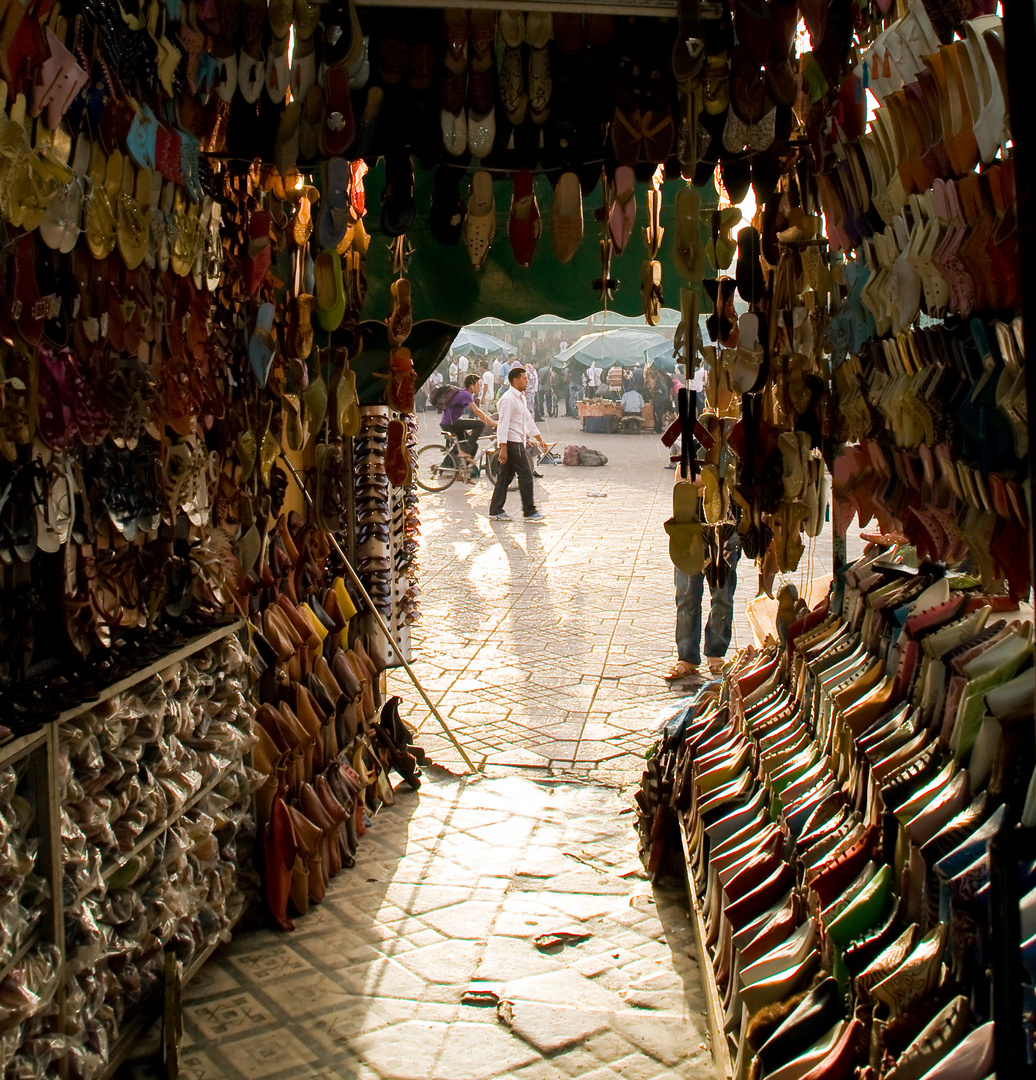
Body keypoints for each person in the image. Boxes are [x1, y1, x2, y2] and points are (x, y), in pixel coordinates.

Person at [668, 527, 742, 683]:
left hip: (726, 529)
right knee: (687, 596)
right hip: (688, 525)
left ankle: (716, 653)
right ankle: (687, 656)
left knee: (723, 596)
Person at [489, 367, 546, 522]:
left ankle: (495, 510)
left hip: (517, 441)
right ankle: (529, 511)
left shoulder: (520, 398)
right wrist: (503, 448)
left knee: (505, 477)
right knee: (526, 475)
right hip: (512, 443)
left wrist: (539, 439)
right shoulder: (508, 399)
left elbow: (527, 420)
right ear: (515, 380)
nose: (526, 381)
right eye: (524, 378)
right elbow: (503, 424)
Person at [440, 374, 495, 463]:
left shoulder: (463, 393)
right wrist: (492, 422)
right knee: (480, 424)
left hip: (448, 422)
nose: (480, 388)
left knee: (472, 445)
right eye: (478, 385)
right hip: (451, 423)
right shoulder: (465, 394)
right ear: (471, 386)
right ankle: (465, 451)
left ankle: (454, 468)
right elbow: (476, 411)